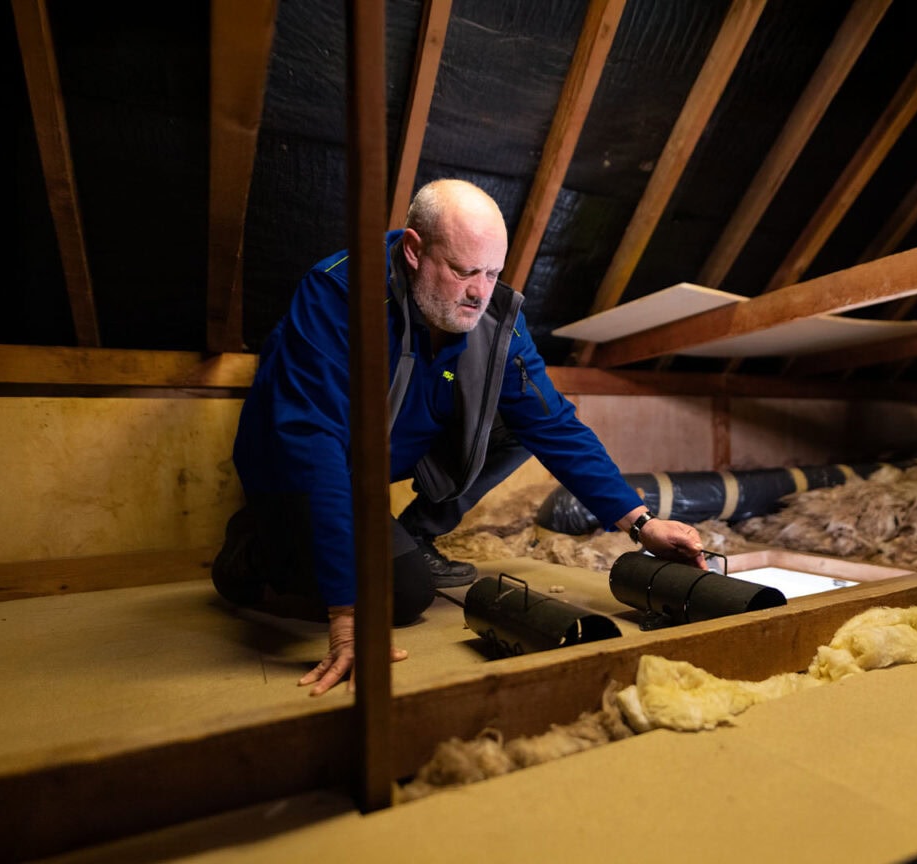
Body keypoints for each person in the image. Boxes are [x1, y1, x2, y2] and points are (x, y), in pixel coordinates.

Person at [214, 178, 704, 696]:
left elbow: (552, 421)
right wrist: (346, 613)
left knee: (518, 423)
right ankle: (255, 548)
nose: (479, 291)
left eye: (492, 273)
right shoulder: (339, 293)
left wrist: (640, 523)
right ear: (414, 250)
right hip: (296, 465)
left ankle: (416, 531)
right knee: (405, 595)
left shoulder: (491, 319)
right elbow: (312, 443)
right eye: (463, 271)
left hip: (379, 456)